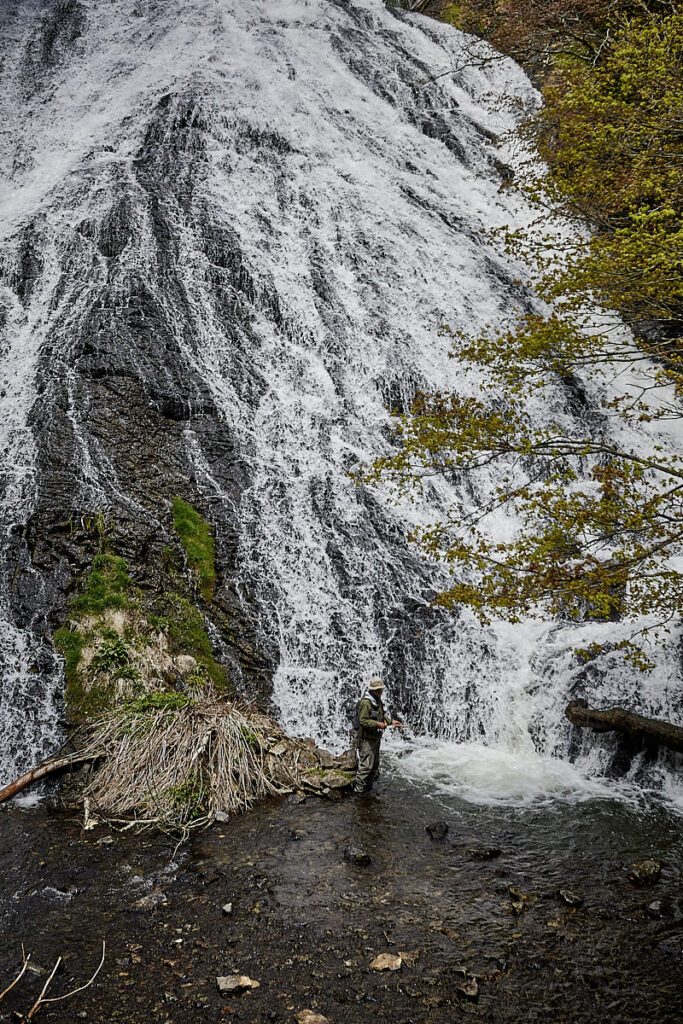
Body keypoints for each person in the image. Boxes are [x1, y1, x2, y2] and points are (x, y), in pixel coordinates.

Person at [354, 677, 403, 795]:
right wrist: (377, 724)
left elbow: (380, 716)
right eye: (380, 689)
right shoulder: (366, 703)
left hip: (375, 738)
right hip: (366, 739)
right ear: (374, 690)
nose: (381, 691)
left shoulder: (377, 701)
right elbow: (363, 721)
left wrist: (391, 722)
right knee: (366, 766)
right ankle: (358, 792)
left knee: (374, 764)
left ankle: (368, 788)